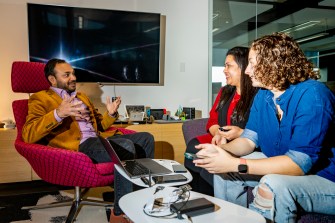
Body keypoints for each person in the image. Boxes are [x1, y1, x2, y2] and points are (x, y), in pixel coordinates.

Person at [193, 33, 335, 222]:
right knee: (223, 169)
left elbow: (299, 164)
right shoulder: (263, 95)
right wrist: (221, 152)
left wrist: (236, 163)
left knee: (273, 183)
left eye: (251, 63)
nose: (247, 71)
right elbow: (249, 139)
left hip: (326, 178)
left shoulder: (313, 96)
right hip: (288, 163)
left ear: (273, 63)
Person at [22, 58, 154, 223]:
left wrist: (111, 114)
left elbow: (100, 126)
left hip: (97, 141)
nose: (73, 78)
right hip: (78, 148)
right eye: (67, 75)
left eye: (73, 73)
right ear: (52, 79)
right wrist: (58, 113)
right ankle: (120, 213)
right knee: (125, 146)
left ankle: (141, 197)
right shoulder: (40, 98)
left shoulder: (82, 97)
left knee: (146, 139)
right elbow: (28, 134)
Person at [184, 47, 258, 195]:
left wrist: (237, 134)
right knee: (194, 146)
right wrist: (219, 133)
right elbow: (212, 120)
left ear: (243, 68)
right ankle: (193, 194)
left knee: (207, 160)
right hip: (220, 138)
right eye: (225, 65)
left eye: (228, 66)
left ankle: (209, 200)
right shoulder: (225, 91)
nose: (224, 70)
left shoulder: (258, 95)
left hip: (243, 143)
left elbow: (255, 133)